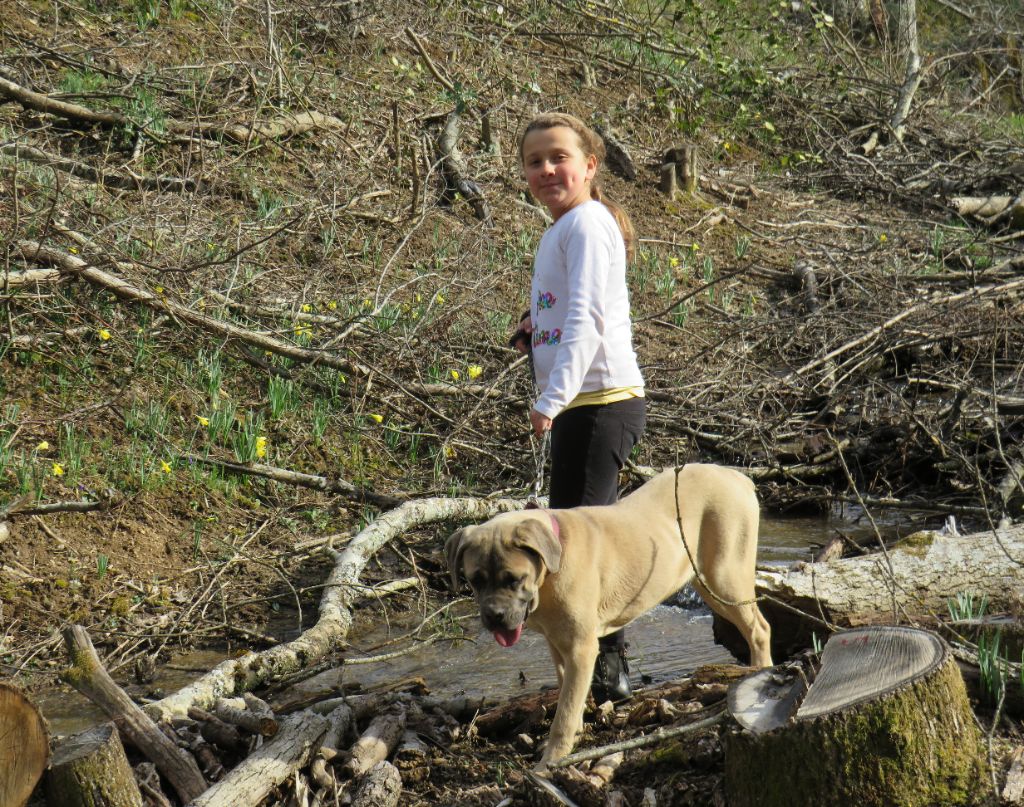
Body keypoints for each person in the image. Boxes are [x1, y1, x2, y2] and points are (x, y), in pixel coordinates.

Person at [511, 112, 646, 701]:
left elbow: (587, 320)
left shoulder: (588, 223)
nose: (546, 169)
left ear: (590, 165)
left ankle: (605, 677)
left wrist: (551, 398)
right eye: (535, 161)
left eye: (558, 157)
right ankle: (586, 672)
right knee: (574, 538)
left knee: (583, 549)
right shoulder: (564, 228)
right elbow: (563, 309)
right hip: (584, 404)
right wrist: (532, 326)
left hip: (598, 404)